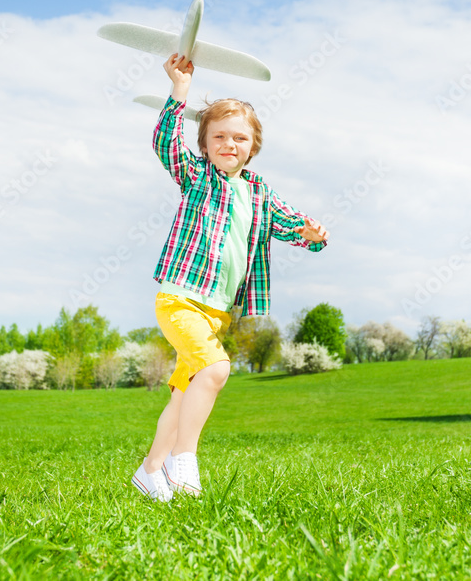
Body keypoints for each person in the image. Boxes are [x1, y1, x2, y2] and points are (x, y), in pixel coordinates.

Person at [131, 53, 329, 502]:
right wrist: (179, 90)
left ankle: (150, 470)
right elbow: (166, 144)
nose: (228, 144)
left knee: (184, 394)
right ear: (204, 144)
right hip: (180, 298)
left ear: (253, 145)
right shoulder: (198, 177)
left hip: (216, 311)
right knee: (217, 369)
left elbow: (292, 226)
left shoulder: (259, 192)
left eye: (239, 137)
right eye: (218, 136)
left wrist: (312, 234)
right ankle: (185, 460)